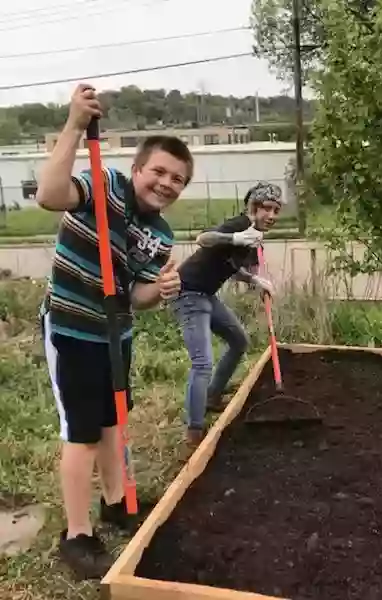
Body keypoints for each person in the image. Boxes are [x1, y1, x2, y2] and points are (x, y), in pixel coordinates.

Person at [36, 83, 192, 580]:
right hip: (72, 330)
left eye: (178, 179)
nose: (167, 183)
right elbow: (49, 196)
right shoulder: (104, 185)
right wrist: (76, 127)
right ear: (139, 169)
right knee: (81, 432)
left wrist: (160, 288)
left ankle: (115, 502)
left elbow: (135, 299)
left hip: (115, 335)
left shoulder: (162, 235)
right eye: (160, 172)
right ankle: (77, 535)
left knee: (111, 424)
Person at [172, 181, 283, 446]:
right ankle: (194, 430)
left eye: (276, 210)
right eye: (267, 208)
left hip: (207, 295)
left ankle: (212, 396)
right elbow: (204, 239)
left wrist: (256, 281)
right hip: (187, 293)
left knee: (239, 341)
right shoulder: (239, 226)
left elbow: (231, 266)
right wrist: (235, 237)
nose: (272, 216)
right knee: (202, 362)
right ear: (253, 207)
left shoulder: (254, 236)